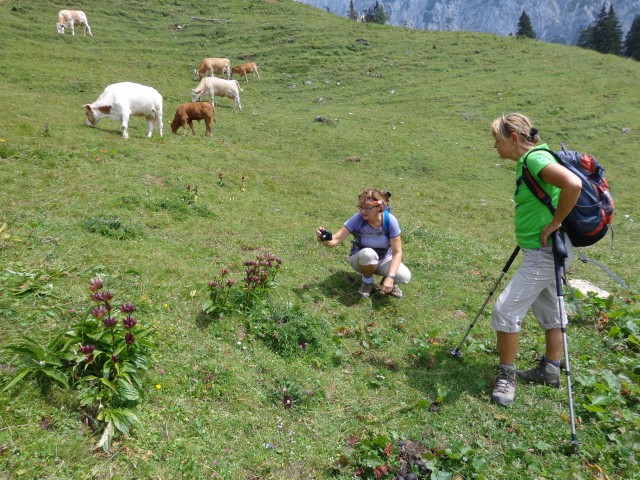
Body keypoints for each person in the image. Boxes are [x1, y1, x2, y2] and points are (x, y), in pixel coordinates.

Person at [489, 113, 582, 407]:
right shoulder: (535, 158)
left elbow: (573, 184)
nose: (495, 146)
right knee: (549, 307)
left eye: (497, 139)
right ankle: (550, 370)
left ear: (513, 137)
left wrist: (555, 222)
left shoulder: (534, 160)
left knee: (505, 311)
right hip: (545, 250)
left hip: (544, 253)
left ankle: (507, 377)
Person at [316, 189, 411, 298]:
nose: (362, 211)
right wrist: (325, 240)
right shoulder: (357, 219)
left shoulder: (389, 220)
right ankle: (367, 281)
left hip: (383, 258)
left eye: (367, 208)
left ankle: (388, 282)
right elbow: (334, 241)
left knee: (405, 276)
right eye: (361, 207)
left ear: (379, 208)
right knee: (368, 253)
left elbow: (397, 252)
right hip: (361, 259)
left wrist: (391, 277)